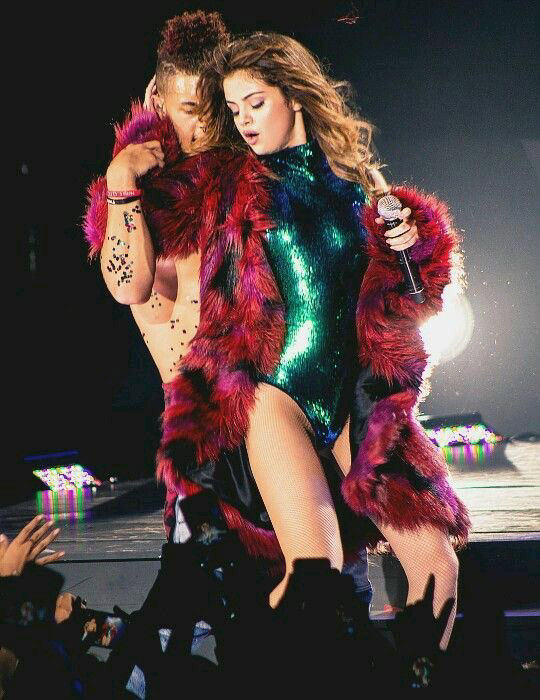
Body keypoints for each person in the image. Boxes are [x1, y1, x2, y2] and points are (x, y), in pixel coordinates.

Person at [149, 32, 470, 649]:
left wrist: (412, 250)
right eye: (233, 109)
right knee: (314, 579)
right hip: (277, 399)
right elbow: (159, 209)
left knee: (438, 566)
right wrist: (143, 139)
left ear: (294, 95)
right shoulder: (229, 182)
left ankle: (423, 677)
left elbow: (415, 301)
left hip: (356, 403)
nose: (244, 121)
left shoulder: (358, 184)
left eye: (256, 103)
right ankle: (270, 673)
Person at [84, 12, 373, 603]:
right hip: (212, 463)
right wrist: (120, 175)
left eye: (217, 107)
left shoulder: (258, 182)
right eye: (190, 109)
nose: (208, 124)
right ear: (157, 101)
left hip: (293, 433)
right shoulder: (145, 202)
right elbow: (128, 286)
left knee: (335, 607)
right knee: (234, 633)